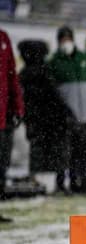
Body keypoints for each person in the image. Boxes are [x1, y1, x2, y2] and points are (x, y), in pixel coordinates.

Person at [48, 25, 86, 195]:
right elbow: (52, 90)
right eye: (63, 39)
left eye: (68, 38)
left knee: (83, 151)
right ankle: (61, 183)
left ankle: (79, 182)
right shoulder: (54, 62)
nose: (66, 42)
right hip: (66, 117)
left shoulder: (84, 58)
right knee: (65, 152)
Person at [18, 39, 71, 191]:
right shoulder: (46, 71)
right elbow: (55, 96)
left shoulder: (24, 74)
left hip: (35, 120)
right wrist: (65, 112)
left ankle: (38, 182)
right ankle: (58, 183)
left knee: (38, 152)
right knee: (57, 151)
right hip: (52, 120)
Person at [0, 29, 24, 223]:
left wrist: (17, 108)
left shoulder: (3, 38)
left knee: (1, 166)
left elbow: (11, 76)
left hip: (3, 117)